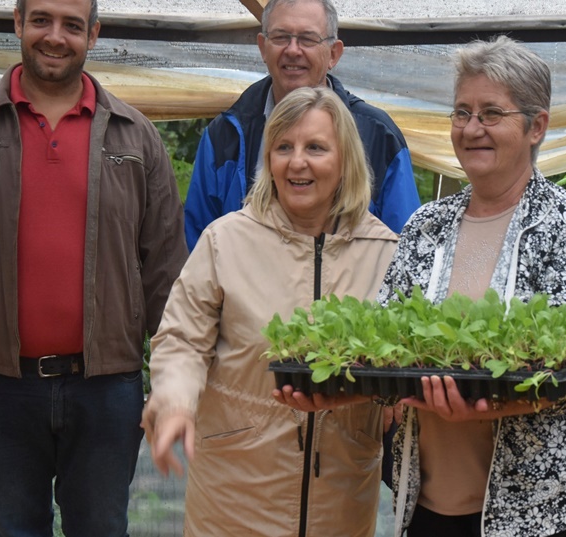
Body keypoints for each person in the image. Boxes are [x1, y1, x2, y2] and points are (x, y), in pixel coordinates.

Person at [0, 0, 188, 535]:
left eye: (73, 25)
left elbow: (166, 271)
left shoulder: (136, 138)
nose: (56, 36)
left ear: (93, 34)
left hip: (106, 386)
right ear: (18, 24)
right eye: (42, 20)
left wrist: (173, 381)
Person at [377, 36, 566, 537]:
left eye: (491, 113)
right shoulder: (425, 226)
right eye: (462, 113)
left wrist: (482, 404)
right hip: (425, 500)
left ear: (536, 126)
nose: (471, 129)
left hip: (529, 511)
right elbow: (383, 343)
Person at [142, 86, 398, 536]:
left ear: (345, 161)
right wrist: (175, 399)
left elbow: (403, 363)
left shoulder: (386, 252)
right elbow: (182, 339)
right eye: (283, 147)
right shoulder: (226, 241)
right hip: (234, 498)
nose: (297, 162)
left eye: (315, 148)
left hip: (339, 502)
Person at [183, 0, 420, 250]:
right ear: (263, 48)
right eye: (281, 37)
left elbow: (405, 251)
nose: (293, 50)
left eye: (307, 39)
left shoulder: (377, 135)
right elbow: (199, 246)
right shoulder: (225, 135)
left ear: (334, 53)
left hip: (345, 287)